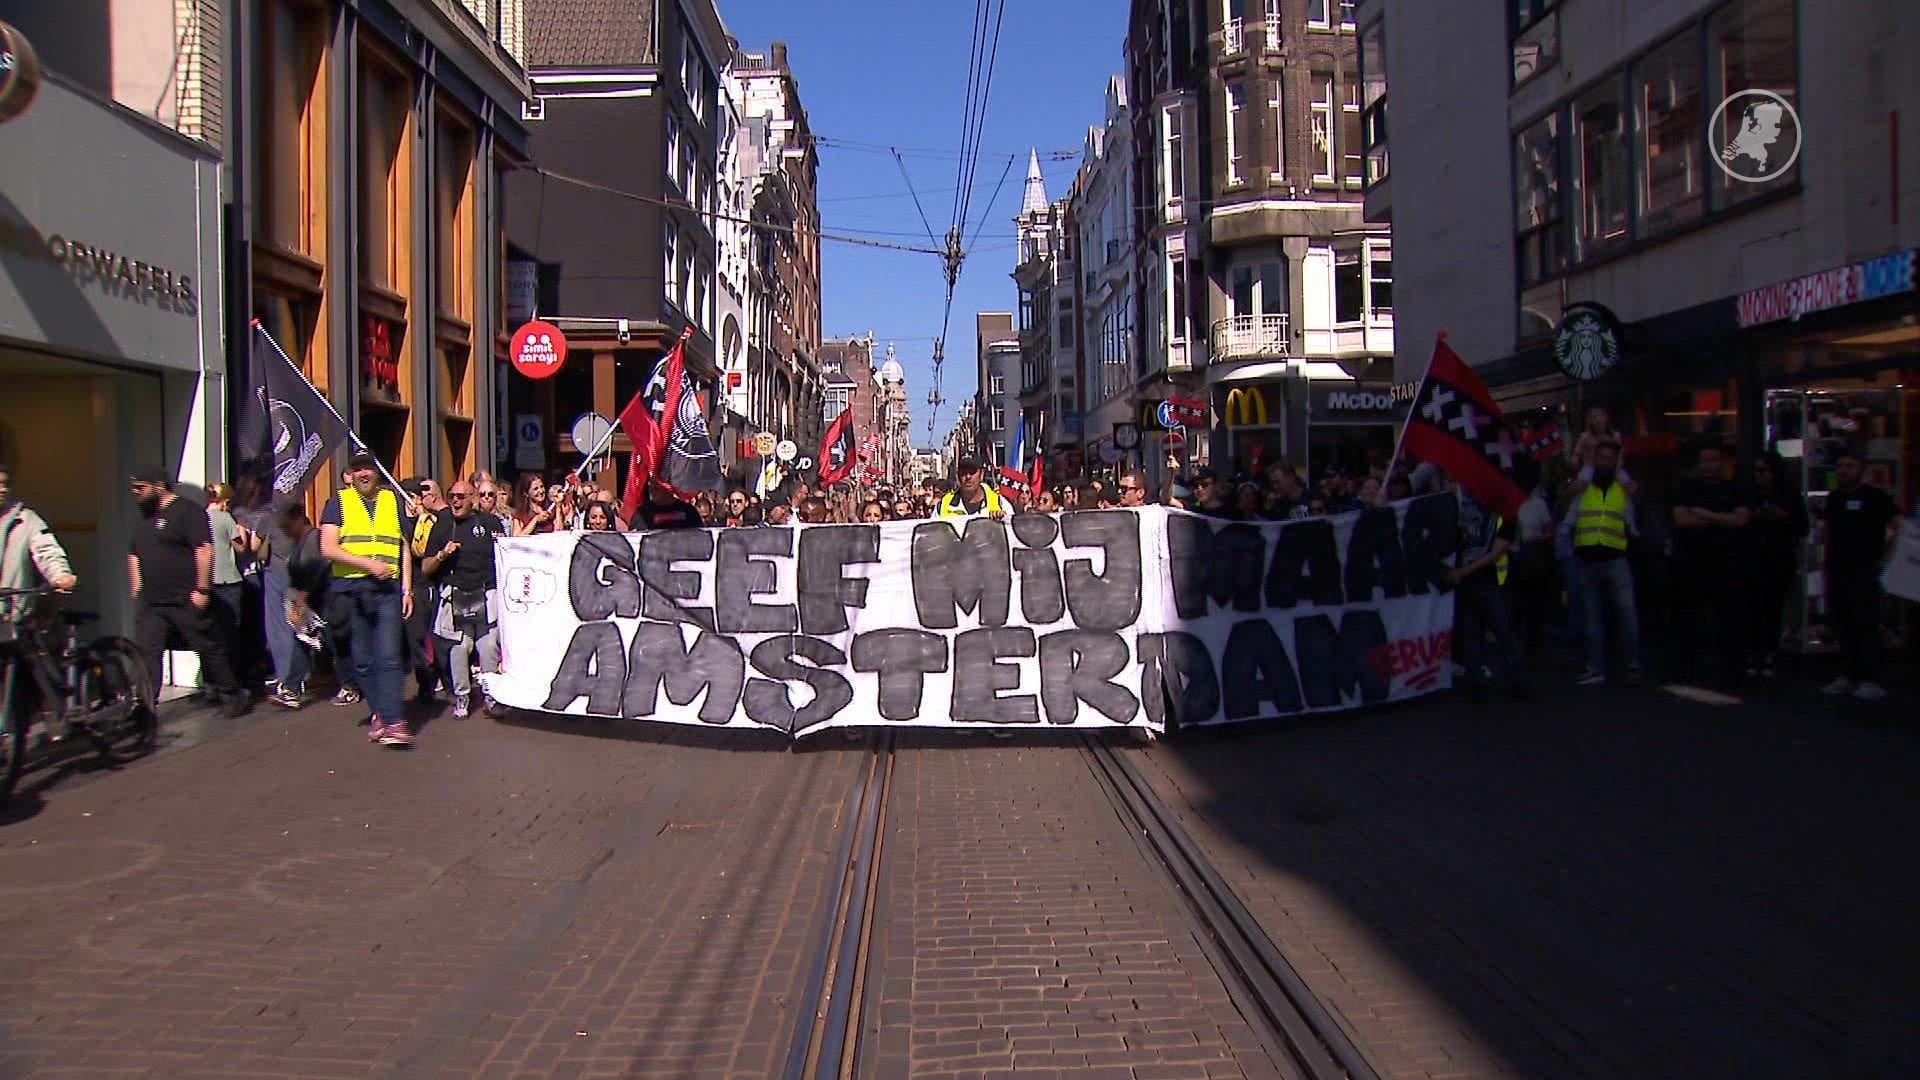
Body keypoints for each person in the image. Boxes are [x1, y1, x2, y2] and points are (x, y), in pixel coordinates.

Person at [127, 466, 251, 716]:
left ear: (159, 486)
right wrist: (136, 586)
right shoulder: (145, 515)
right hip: (153, 601)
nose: (136, 493)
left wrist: (202, 589)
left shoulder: (187, 512)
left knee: (207, 645)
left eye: (140, 488)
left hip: (184, 596)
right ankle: (145, 707)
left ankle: (232, 693)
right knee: (148, 651)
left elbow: (203, 549)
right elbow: (133, 552)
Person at [318, 453, 416, 746]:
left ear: (377, 473)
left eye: (368, 469)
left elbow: (404, 547)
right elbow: (327, 548)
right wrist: (367, 564)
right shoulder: (338, 502)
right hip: (350, 591)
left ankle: (393, 720)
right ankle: (380, 713)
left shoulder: (392, 501)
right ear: (350, 474)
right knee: (362, 660)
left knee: (387, 654)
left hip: (387, 589)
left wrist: (406, 589)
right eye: (357, 469)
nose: (363, 474)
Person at [1819, 449, 1898, 701]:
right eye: (1841, 466)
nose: (1844, 470)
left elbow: (1898, 524)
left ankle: (1871, 678)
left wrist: (1888, 557)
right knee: (1843, 624)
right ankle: (1849, 675)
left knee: (1865, 623)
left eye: (1850, 466)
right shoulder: (1834, 498)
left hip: (1864, 568)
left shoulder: (1877, 498)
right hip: (1837, 567)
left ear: (1861, 470)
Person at [422, 480, 504, 719]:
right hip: (455, 594)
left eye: (461, 496)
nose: (455, 501)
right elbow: (426, 567)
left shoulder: (489, 523)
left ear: (473, 498)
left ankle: (491, 695)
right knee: (460, 647)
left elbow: (506, 556)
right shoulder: (442, 525)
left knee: (487, 646)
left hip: (486, 592)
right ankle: (462, 696)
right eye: (451, 496)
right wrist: (441, 555)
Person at [1563, 441, 1641, 686]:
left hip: (1615, 558)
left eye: (1610, 458)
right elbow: (1568, 510)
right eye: (1601, 458)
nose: (1605, 462)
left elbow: (1634, 494)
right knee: (1592, 617)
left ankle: (1632, 665)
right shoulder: (1584, 488)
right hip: (1586, 559)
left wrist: (1619, 471)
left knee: (1627, 614)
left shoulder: (1622, 486)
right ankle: (1595, 668)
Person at [1745, 451, 1807, 678]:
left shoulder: (1789, 495)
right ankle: (1756, 652)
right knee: (1754, 608)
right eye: (1756, 471)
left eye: (1763, 471)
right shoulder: (1751, 494)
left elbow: (1802, 527)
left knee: (1772, 607)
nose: (1759, 476)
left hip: (1778, 556)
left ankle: (1769, 651)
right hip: (1755, 556)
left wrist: (1783, 517)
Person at [262, 502, 328, 709]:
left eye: (287, 526)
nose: (284, 531)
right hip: (310, 605)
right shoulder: (299, 544)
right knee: (301, 640)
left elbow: (314, 572)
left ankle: (354, 683)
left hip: (324, 603)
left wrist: (299, 603)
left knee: (338, 643)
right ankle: (291, 689)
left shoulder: (312, 540)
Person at [0, 463, 78, 623]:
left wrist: (60, 575)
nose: (2, 490)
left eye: (5, 484)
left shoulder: (26, 520)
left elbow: (47, 550)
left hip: (11, 622)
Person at [938, 458, 1006, 518]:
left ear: (981, 474)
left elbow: (1012, 527)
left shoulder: (1000, 502)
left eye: (972, 472)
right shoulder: (943, 505)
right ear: (958, 475)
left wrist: (1002, 519)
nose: (968, 477)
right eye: (963, 472)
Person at [633, 478, 703, 529]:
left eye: (657, 486)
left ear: (669, 487)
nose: (652, 490)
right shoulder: (642, 512)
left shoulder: (688, 510)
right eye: (650, 485)